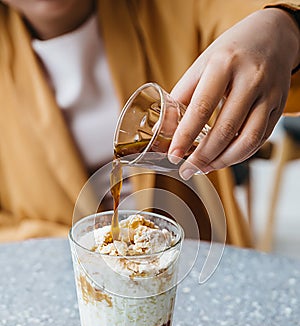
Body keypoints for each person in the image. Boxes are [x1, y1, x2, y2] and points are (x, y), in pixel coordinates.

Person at [0, 0, 299, 244]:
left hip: (204, 277)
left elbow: (263, 12)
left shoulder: (173, 8)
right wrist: (85, 246)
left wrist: (285, 26)